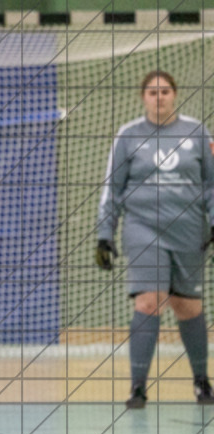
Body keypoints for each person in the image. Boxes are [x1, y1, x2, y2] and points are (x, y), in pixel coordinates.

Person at [96, 70, 214, 409]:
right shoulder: (128, 136)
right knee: (149, 301)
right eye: (152, 92)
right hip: (143, 228)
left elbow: (211, 185)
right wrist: (105, 234)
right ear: (143, 97)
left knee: (187, 306)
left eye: (164, 91)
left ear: (174, 95)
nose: (159, 97)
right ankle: (138, 387)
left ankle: (201, 381)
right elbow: (112, 190)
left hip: (190, 230)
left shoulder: (196, 133)